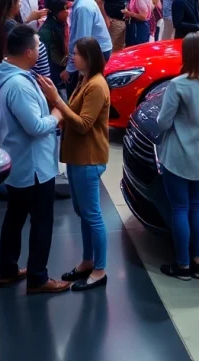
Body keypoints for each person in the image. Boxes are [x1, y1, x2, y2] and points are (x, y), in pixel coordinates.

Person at [0, 24, 71, 295]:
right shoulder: (19, 85)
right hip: (34, 166)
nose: (40, 51)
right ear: (28, 52)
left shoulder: (2, 73)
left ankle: (8, 270)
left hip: (16, 160)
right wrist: (57, 114)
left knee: (15, 215)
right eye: (38, 47)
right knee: (41, 221)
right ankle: (38, 277)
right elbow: (35, 126)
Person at [43, 37, 111, 292]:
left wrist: (57, 102)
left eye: (77, 54)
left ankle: (100, 270)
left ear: (89, 57)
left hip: (88, 158)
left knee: (92, 215)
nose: (72, 57)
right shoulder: (84, 81)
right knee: (83, 213)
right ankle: (87, 261)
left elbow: (83, 124)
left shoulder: (96, 86)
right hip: (77, 157)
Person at [156, 33, 199, 280]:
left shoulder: (178, 85)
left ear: (186, 54)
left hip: (178, 156)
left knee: (180, 208)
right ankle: (198, 263)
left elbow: (163, 122)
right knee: (197, 206)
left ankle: (182, 265)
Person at [57, 0, 112, 96]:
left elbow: (82, 42)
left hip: (94, 53)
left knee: (83, 93)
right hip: (93, 51)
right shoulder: (82, 1)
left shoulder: (83, 7)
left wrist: (69, 69)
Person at [38, 0, 68, 91]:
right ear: (57, 12)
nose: (67, 12)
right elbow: (46, 60)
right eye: (65, 9)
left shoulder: (62, 25)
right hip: (54, 75)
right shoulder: (45, 32)